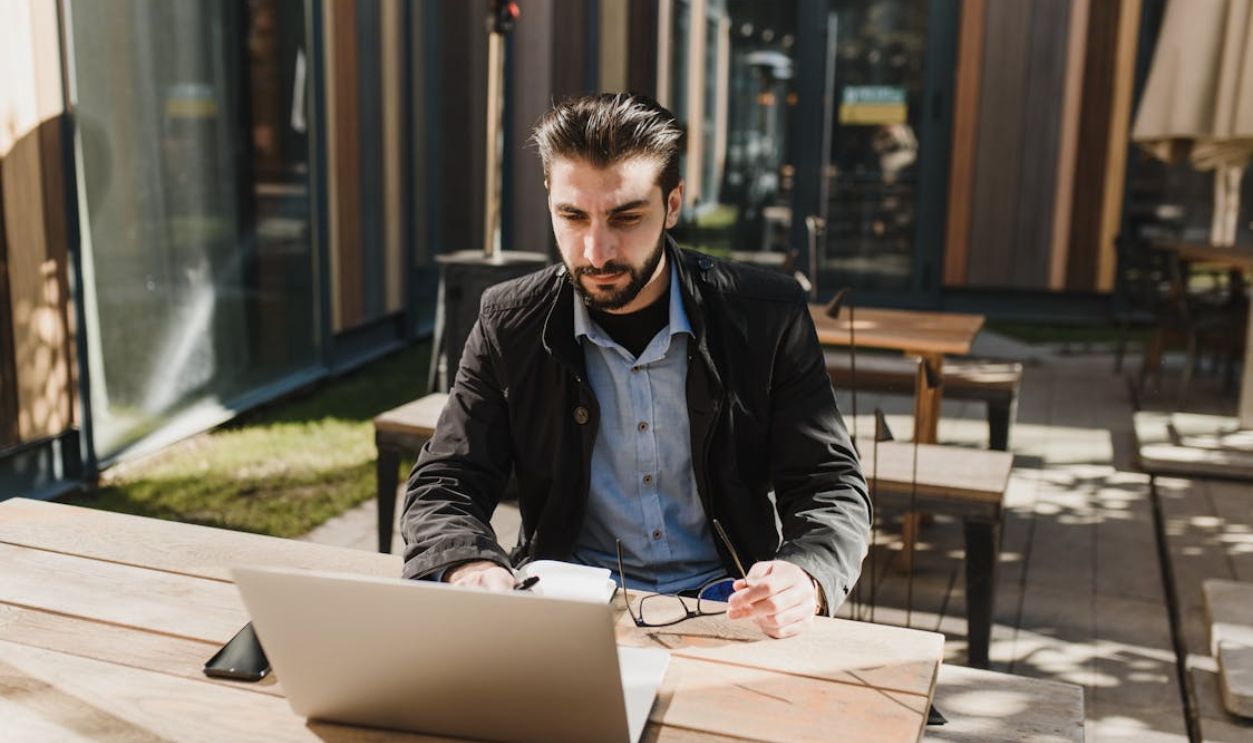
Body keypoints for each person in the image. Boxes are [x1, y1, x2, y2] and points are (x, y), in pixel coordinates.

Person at [401, 93, 869, 639]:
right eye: (572, 217)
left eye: (626, 217)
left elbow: (828, 481)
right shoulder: (509, 322)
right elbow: (445, 480)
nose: (596, 252)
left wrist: (806, 574)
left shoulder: (765, 315)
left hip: (732, 607)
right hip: (567, 607)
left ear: (673, 205)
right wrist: (469, 564)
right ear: (549, 197)